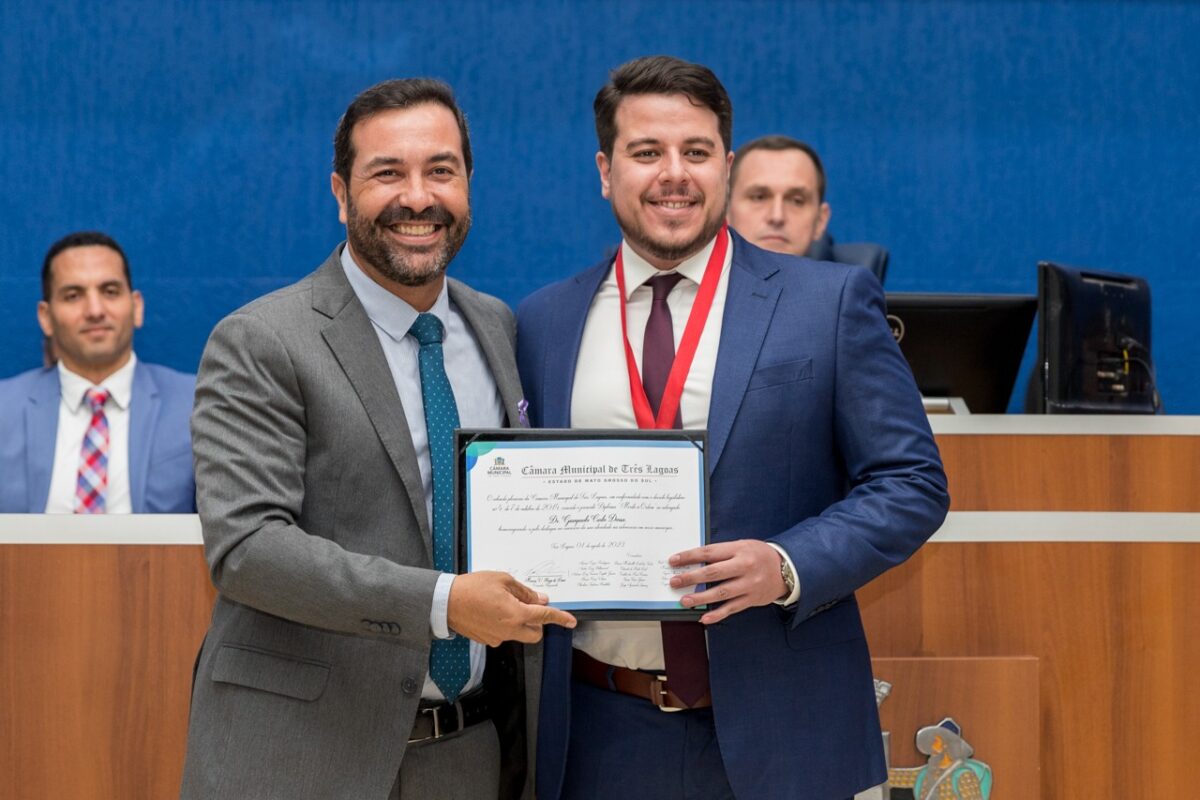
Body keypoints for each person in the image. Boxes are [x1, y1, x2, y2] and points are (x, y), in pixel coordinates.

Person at [516, 56, 949, 800]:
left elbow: (912, 484)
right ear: (604, 170)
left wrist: (784, 564)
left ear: (726, 163)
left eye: (696, 151)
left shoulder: (831, 302)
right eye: (646, 152)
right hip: (597, 734)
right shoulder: (542, 323)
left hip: (788, 731)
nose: (673, 174)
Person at [179, 78, 576, 800]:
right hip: (298, 755)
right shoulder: (262, 340)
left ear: (468, 184)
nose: (418, 198)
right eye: (387, 172)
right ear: (340, 192)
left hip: (465, 752)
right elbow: (247, 549)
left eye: (441, 171)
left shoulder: (497, 327)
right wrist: (443, 602)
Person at [0, 231, 195, 513]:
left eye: (110, 291)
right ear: (46, 317)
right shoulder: (4, 408)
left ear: (136, 306)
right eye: (73, 295)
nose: (94, 310)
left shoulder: (197, 405)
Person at [727, 135, 831, 257]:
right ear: (724, 211)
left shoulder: (851, 275)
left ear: (820, 221)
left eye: (796, 201)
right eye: (759, 197)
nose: (777, 217)